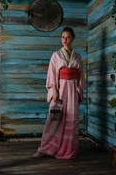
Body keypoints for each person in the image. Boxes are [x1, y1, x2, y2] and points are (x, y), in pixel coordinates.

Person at [33, 27, 85, 159]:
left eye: (67, 37)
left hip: (72, 91)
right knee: (54, 119)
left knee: (71, 121)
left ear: (72, 38)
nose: (65, 40)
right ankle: (44, 149)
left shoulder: (77, 57)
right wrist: (54, 90)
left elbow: (80, 75)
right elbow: (52, 73)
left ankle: (68, 150)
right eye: (62, 37)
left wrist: (80, 90)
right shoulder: (56, 55)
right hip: (60, 91)